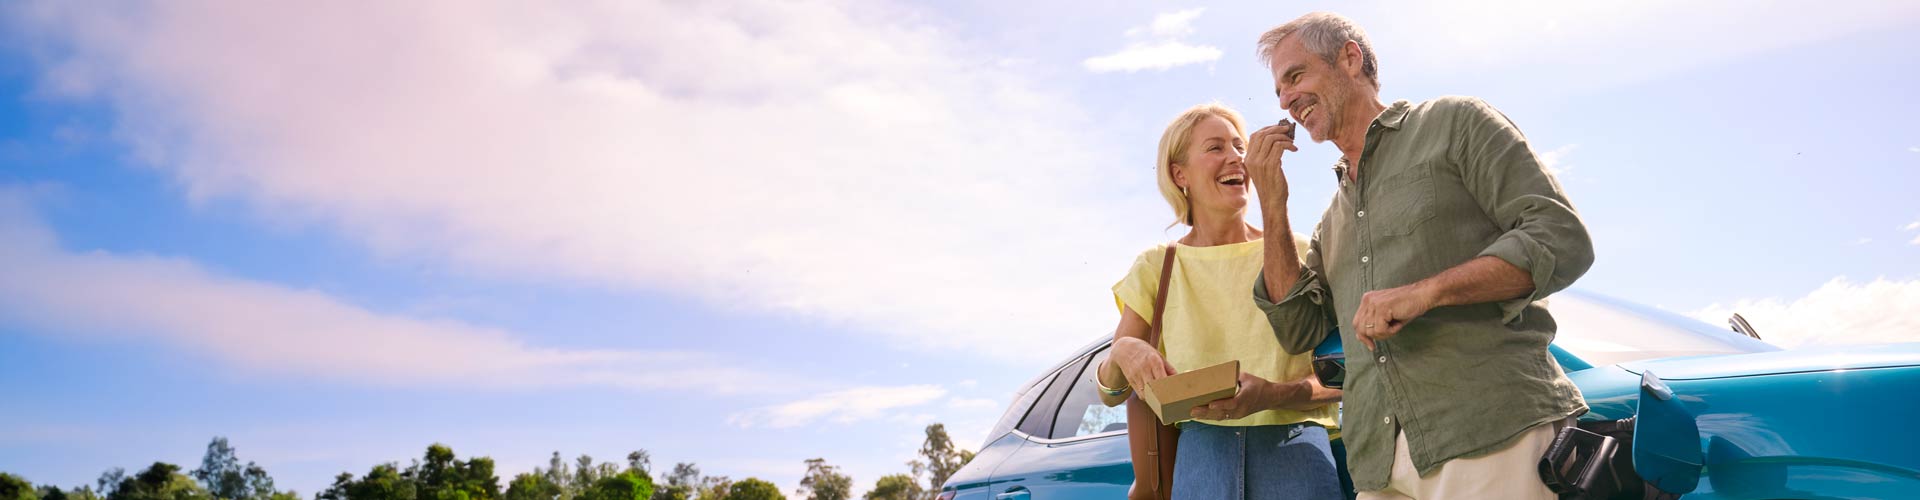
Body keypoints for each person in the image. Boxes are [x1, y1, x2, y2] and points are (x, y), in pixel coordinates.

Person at [1243, 12, 1597, 500]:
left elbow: (1561, 237)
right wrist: (1272, 204)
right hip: (1378, 466)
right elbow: (1297, 327)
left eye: (1295, 76)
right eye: (1278, 91)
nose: (1285, 100)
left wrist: (1426, 292)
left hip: (1489, 432)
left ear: (1349, 58)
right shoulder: (1332, 219)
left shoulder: (1454, 123)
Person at [1094, 102, 1344, 500]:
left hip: (1298, 451)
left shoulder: (1301, 254)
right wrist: (1124, 349)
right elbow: (1109, 392)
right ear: (1180, 175)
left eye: (1239, 146)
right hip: (1200, 455)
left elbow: (1345, 376)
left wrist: (1275, 395)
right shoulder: (1157, 266)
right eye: (1215, 148)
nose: (1236, 158)